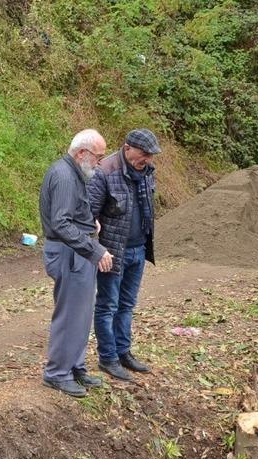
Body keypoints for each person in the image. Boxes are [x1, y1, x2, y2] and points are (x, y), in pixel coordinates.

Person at [39, 129, 114, 398]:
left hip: (77, 252)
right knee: (70, 314)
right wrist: (94, 249)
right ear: (82, 153)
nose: (100, 163)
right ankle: (57, 373)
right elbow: (60, 223)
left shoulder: (75, 173)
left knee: (82, 314)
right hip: (70, 254)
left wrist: (89, 222)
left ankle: (75, 367)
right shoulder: (64, 175)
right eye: (98, 157)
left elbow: (71, 213)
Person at [88, 128, 161, 382]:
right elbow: (89, 217)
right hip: (112, 252)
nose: (148, 160)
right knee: (107, 305)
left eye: (151, 156)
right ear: (128, 148)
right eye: (145, 154)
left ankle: (123, 352)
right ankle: (107, 358)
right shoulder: (104, 171)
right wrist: (99, 251)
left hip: (139, 249)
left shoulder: (147, 173)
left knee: (127, 305)